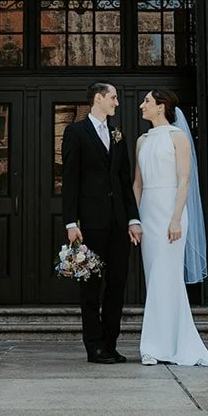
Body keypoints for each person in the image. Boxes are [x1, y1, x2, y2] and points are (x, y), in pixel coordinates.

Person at [135, 89, 208, 369]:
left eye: (147, 101)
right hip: (148, 212)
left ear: (161, 106)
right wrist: (135, 219)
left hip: (172, 211)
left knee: (164, 276)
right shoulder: (141, 141)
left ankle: (152, 346)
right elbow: (137, 184)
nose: (141, 105)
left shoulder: (177, 137)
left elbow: (184, 181)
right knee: (154, 278)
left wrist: (176, 218)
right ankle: (164, 342)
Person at [61, 81, 141, 363]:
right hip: (90, 224)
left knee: (117, 284)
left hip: (119, 223)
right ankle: (94, 346)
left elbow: (124, 179)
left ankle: (110, 343)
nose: (117, 103)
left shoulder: (118, 134)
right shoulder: (75, 132)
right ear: (98, 98)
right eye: (113, 98)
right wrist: (71, 222)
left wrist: (133, 218)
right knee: (91, 286)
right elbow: (69, 181)